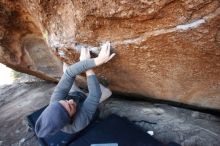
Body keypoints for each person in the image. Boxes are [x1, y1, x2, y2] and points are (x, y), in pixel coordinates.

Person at [35, 42, 115, 138]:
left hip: (74, 93)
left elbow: (69, 74)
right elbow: (95, 94)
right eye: (70, 106)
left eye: (64, 101)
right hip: (84, 102)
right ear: (69, 118)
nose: (70, 101)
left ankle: (76, 94)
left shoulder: (55, 102)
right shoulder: (77, 124)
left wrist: (97, 61)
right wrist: (87, 66)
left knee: (66, 70)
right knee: (107, 92)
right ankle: (84, 93)